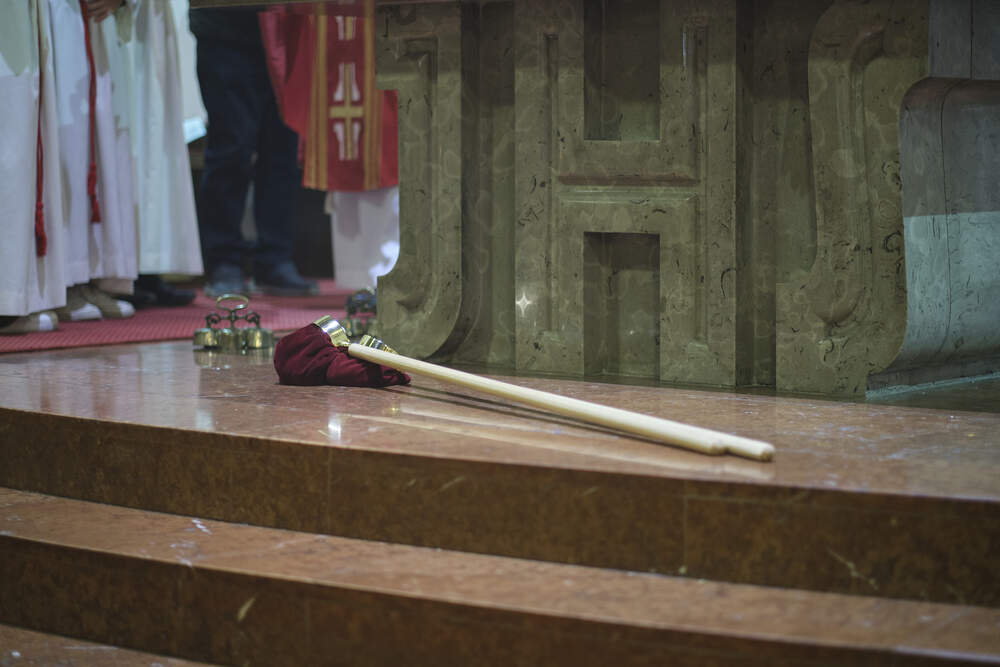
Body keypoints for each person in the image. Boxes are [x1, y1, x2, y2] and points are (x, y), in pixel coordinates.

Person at [189, 5, 318, 297]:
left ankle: (275, 259)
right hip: (224, 31)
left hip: (286, 31)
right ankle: (224, 261)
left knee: (282, 152)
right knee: (231, 150)